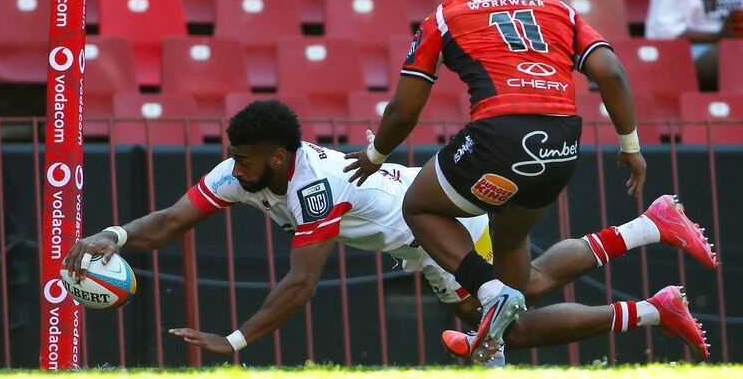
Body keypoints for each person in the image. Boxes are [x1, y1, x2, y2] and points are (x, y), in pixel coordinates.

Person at [64, 100, 713, 364]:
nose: (232, 166)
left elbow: (300, 285)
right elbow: (170, 221)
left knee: (520, 306)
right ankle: (651, 248)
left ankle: (652, 276)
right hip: (418, 238)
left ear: (278, 157)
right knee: (515, 302)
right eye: (231, 156)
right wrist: (113, 236)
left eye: (243, 157)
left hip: (444, 225)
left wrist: (234, 341)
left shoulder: (314, 188)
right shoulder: (245, 173)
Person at [343, 0, 653, 356]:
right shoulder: (558, 9)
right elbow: (612, 73)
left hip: (500, 136)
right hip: (563, 142)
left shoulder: (446, 15)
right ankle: (500, 330)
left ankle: (490, 293)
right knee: (511, 250)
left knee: (418, 206)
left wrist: (376, 154)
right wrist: (630, 146)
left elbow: (403, 110)